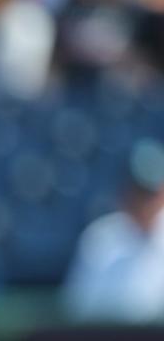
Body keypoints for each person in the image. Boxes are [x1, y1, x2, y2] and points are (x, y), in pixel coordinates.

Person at [62, 138, 164, 322]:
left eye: (150, 192)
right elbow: (77, 310)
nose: (144, 201)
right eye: (138, 191)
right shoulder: (100, 238)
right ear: (124, 192)